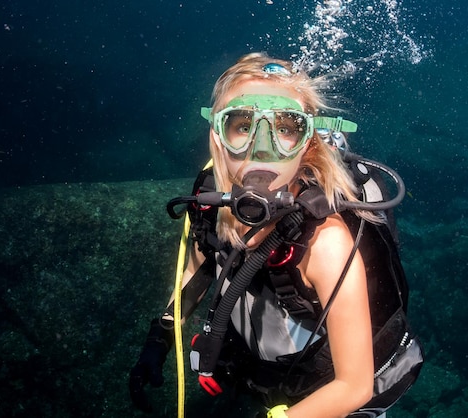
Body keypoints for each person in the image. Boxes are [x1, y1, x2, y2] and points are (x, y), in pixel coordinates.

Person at [129, 52, 422, 418]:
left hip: (325, 392)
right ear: (217, 137)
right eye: (241, 125)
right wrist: (160, 337)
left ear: (308, 143)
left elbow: (354, 386)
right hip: (262, 369)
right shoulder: (212, 204)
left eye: (286, 128)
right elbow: (196, 272)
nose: (261, 147)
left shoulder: (326, 243)